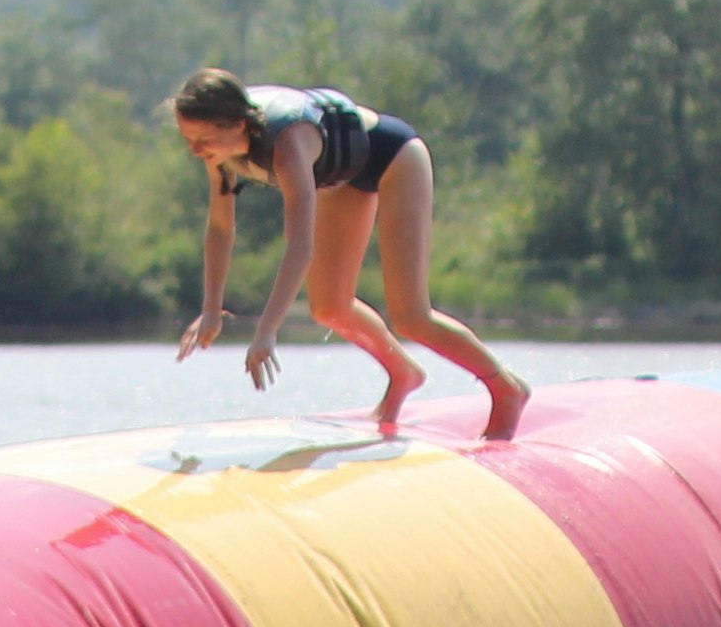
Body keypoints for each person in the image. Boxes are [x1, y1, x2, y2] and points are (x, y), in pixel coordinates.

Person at [166, 67, 531, 442]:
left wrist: (267, 331)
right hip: (341, 177)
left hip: (392, 157)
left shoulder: (288, 144)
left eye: (204, 139)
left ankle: (506, 389)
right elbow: (221, 228)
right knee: (329, 307)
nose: (196, 151)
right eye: (189, 140)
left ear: (238, 124)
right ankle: (403, 374)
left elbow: (299, 245)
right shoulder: (219, 154)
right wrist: (211, 310)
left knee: (410, 316)